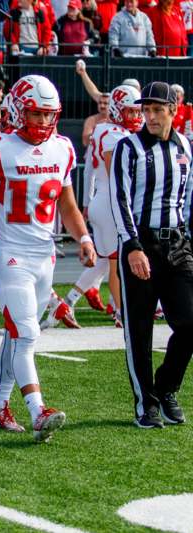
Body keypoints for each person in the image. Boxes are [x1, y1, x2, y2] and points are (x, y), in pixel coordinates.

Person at [0, 75, 96, 442]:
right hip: (10, 252)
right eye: (35, 114)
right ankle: (38, 410)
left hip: (44, 254)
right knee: (26, 333)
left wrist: (82, 236)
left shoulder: (62, 147)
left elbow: (66, 202)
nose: (43, 123)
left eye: (49, 116)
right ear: (18, 110)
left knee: (16, 337)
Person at [110, 81, 193, 429]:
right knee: (140, 330)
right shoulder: (128, 147)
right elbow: (121, 199)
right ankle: (146, 404)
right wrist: (132, 247)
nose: (151, 116)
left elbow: (188, 198)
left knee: (189, 324)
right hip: (141, 243)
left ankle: (166, 388)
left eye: (158, 109)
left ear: (173, 110)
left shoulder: (184, 145)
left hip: (176, 243)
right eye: (147, 110)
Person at [43, 85, 144, 330]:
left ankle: (67, 303)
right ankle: (121, 313)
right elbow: (117, 174)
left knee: (102, 262)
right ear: (119, 110)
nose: (136, 117)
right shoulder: (114, 135)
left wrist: (88, 201)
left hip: (103, 199)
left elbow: (89, 169)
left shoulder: (102, 130)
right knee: (116, 263)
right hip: (112, 203)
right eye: (130, 112)